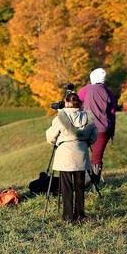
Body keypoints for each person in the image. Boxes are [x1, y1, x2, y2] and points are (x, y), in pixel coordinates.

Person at [46, 93, 97, 222]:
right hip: (81, 155)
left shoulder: (60, 117)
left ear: (66, 102)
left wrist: (57, 142)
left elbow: (51, 136)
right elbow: (93, 136)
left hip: (65, 156)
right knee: (79, 187)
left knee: (67, 187)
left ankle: (68, 216)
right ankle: (80, 214)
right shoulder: (87, 116)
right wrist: (84, 143)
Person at [78, 68, 117, 184]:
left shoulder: (85, 89)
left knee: (81, 153)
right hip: (103, 130)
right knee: (97, 157)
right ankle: (95, 184)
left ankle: (83, 181)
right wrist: (112, 132)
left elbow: (76, 105)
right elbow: (112, 113)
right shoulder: (108, 91)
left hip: (86, 128)